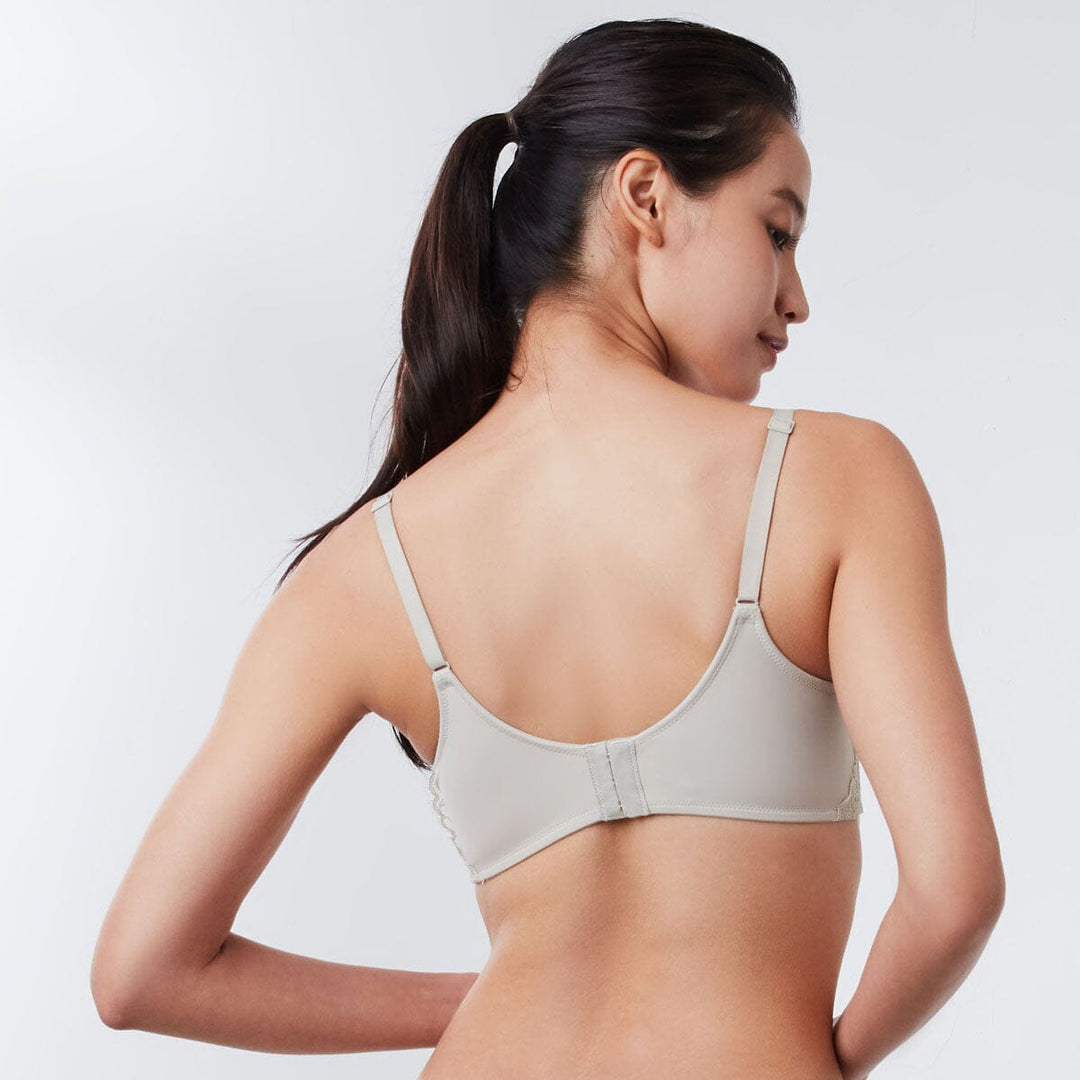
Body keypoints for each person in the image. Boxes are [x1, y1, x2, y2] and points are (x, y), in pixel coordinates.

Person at [90, 17, 1005, 1079]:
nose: (795, 297)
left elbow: (140, 971)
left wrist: (490, 1001)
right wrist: (819, 1062)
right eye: (778, 230)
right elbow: (955, 893)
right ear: (646, 196)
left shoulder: (361, 573)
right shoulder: (837, 478)